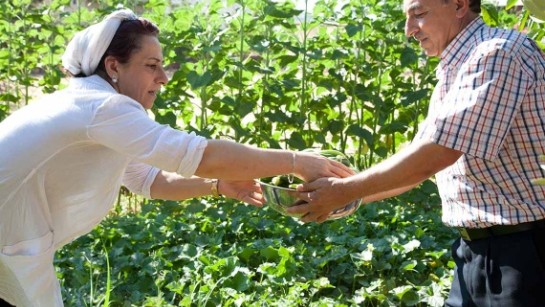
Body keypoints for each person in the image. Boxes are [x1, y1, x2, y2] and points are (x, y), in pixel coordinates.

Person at [0, 9, 353, 306]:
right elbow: (202, 154)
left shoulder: (94, 107)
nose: (164, 78)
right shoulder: (104, 108)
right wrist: (296, 161)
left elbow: (147, 180)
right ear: (113, 66)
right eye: (152, 65)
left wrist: (217, 185)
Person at [289, 0, 545, 305]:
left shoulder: (498, 53)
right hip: (475, 253)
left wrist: (344, 191)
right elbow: (421, 162)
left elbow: (436, 155)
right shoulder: (459, 65)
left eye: (419, 14)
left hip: (524, 252)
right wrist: (336, 198)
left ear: (460, 5)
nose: (409, 30)